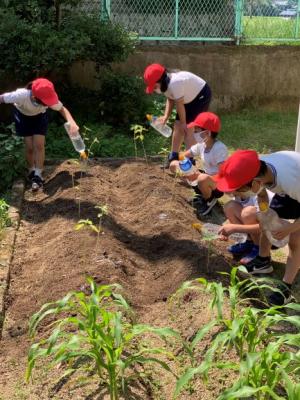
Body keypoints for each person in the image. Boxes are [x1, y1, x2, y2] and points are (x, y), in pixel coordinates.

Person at [215, 149, 300, 305]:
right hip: (286, 189)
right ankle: (263, 260)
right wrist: (265, 212)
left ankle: (285, 288)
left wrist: (288, 229)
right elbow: (261, 194)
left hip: (296, 185)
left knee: (296, 238)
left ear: (255, 182)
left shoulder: (290, 181)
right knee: (267, 216)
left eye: (240, 189)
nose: (237, 194)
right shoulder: (256, 169)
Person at [0, 78, 79, 190]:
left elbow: (62, 109)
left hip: (39, 118)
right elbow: (2, 98)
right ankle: (31, 170)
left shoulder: (47, 98)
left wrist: (71, 121)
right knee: (30, 147)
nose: (49, 104)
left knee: (39, 145)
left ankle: (38, 175)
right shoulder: (20, 95)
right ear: (34, 97)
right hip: (22, 117)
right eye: (45, 103)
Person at [143, 63, 211, 168]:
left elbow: (179, 104)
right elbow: (170, 99)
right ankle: (173, 157)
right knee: (177, 126)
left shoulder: (175, 83)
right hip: (187, 98)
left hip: (200, 95)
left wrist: (184, 123)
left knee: (188, 129)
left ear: (162, 80)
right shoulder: (166, 85)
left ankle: (190, 161)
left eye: (155, 87)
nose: (155, 90)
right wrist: (166, 116)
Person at [170, 112, 228, 216]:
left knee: (202, 179)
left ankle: (209, 199)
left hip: (217, 185)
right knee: (174, 164)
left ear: (208, 133)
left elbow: (222, 175)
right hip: (203, 177)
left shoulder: (219, 149)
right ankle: (201, 193)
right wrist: (181, 162)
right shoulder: (201, 145)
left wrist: (197, 175)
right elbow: (183, 155)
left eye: (197, 130)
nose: (194, 133)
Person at [220, 190, 274, 264]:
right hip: (259, 230)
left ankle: (260, 249)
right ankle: (248, 242)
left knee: (248, 213)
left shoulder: (259, 195)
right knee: (229, 206)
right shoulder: (239, 195)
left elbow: (267, 226)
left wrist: (234, 228)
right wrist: (226, 231)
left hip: (274, 236)